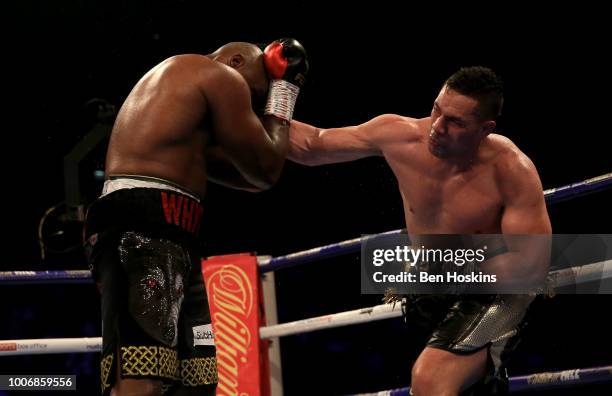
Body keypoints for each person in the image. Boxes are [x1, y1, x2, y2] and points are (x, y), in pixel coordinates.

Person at [287, 67, 552, 395]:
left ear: (485, 129)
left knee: (430, 378)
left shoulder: (511, 169)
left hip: (497, 294)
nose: (437, 128)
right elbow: (312, 145)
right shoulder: (400, 135)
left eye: (455, 122)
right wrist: (266, 101)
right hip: (431, 288)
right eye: (436, 110)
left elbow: (533, 264)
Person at [83, 38, 309, 396]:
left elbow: (253, 180)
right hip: (145, 230)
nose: (246, 106)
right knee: (143, 373)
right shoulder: (220, 75)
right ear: (236, 61)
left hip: (169, 233)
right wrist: (284, 89)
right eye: (253, 92)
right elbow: (267, 167)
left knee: (198, 377)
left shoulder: (180, 98)